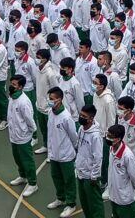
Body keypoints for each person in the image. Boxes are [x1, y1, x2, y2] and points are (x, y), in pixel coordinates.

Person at [46, 87, 79, 217]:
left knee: (69, 179)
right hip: (54, 154)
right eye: (49, 99)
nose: (50, 101)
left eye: (52, 99)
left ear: (59, 99)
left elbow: (73, 136)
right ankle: (61, 198)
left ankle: (71, 204)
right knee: (56, 177)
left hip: (66, 155)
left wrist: (74, 150)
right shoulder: (50, 112)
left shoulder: (66, 117)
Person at [7, 74, 38, 195]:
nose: (11, 86)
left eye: (14, 85)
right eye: (11, 83)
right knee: (17, 158)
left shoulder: (24, 102)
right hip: (14, 135)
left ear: (20, 87)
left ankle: (32, 183)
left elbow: (29, 120)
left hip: (23, 136)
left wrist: (30, 132)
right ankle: (23, 176)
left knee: (27, 160)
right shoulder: (12, 97)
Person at [106, 122, 135, 218]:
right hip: (114, 197)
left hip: (125, 200)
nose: (108, 138)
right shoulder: (111, 149)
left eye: (110, 136)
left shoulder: (127, 156)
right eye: (107, 135)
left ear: (118, 139)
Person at [75, 105, 103, 218]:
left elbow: (98, 157)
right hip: (80, 172)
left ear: (91, 119)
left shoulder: (95, 136)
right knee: (85, 203)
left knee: (95, 205)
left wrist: (94, 176)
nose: (81, 117)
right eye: (81, 114)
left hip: (90, 176)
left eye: (84, 116)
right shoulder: (81, 128)